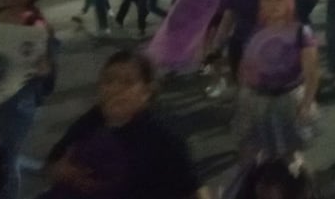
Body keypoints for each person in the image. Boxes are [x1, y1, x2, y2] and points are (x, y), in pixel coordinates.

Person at [42, 51, 209, 199]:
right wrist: (61, 171)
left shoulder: (164, 137)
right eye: (108, 80)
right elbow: (54, 161)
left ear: (146, 92)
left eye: (128, 82)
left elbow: (193, 188)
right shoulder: (93, 119)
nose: (115, 88)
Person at [0, 0, 57, 199]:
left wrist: (32, 67)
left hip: (18, 100)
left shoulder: (34, 24)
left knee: (8, 156)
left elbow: (44, 68)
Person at [235, 0, 320, 163]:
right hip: (257, 100)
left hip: (288, 102)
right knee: (259, 155)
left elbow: (312, 73)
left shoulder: (300, 32)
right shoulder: (256, 30)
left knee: (290, 158)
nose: (273, 5)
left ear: (289, 0)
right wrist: (244, 93)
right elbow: (245, 64)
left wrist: (306, 103)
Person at [205, 0, 266, 98]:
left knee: (261, 83)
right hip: (239, 41)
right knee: (240, 80)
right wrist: (217, 45)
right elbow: (227, 19)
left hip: (263, 43)